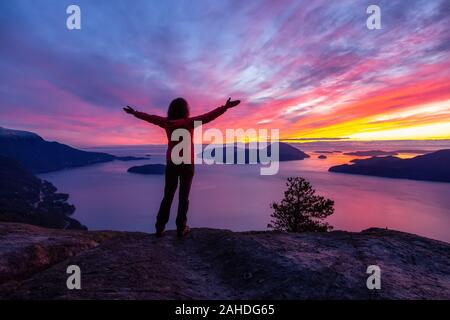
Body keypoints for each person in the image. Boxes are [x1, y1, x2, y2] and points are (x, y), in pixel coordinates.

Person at [123, 97, 240, 237]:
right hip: (187, 164)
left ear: (171, 110)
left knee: (168, 196)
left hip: (172, 163)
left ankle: (160, 228)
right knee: (183, 197)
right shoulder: (190, 123)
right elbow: (209, 116)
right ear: (186, 110)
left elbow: (151, 118)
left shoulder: (166, 122)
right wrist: (225, 107)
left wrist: (135, 113)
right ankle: (181, 227)